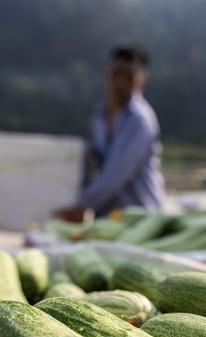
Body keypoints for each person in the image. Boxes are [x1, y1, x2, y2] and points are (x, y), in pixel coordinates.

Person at [56, 43, 166, 222]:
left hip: (139, 219)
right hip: (109, 219)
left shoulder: (139, 120)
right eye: (116, 74)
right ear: (106, 73)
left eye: (129, 77)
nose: (120, 82)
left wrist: (82, 204)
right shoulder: (99, 116)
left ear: (143, 81)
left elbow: (114, 174)